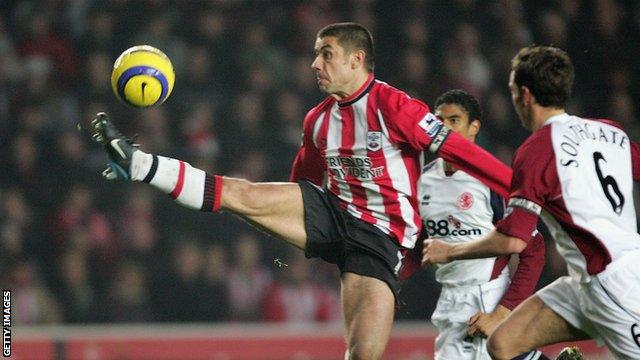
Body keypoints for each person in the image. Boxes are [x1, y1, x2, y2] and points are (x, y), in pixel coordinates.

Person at [89, 23, 512, 359]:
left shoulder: (395, 107)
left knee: (363, 354)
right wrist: (283, 236)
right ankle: (139, 164)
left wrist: (519, 188)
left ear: (356, 60)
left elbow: (459, 149)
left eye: (326, 54)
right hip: (332, 212)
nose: (315, 63)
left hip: (381, 240)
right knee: (245, 195)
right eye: (315, 54)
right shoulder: (317, 121)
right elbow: (302, 186)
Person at [422, 46, 640, 359]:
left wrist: (450, 251)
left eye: (512, 91)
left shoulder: (536, 149)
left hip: (617, 289)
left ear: (524, 94)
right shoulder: (610, 131)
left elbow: (513, 241)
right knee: (502, 344)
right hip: (583, 285)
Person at [419, 89, 546, 359]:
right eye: (438, 120)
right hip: (449, 299)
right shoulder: (422, 181)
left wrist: (501, 313)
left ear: (474, 127)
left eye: (454, 120)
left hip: (487, 298)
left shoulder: (493, 180)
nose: (444, 127)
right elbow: (416, 244)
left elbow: (534, 251)